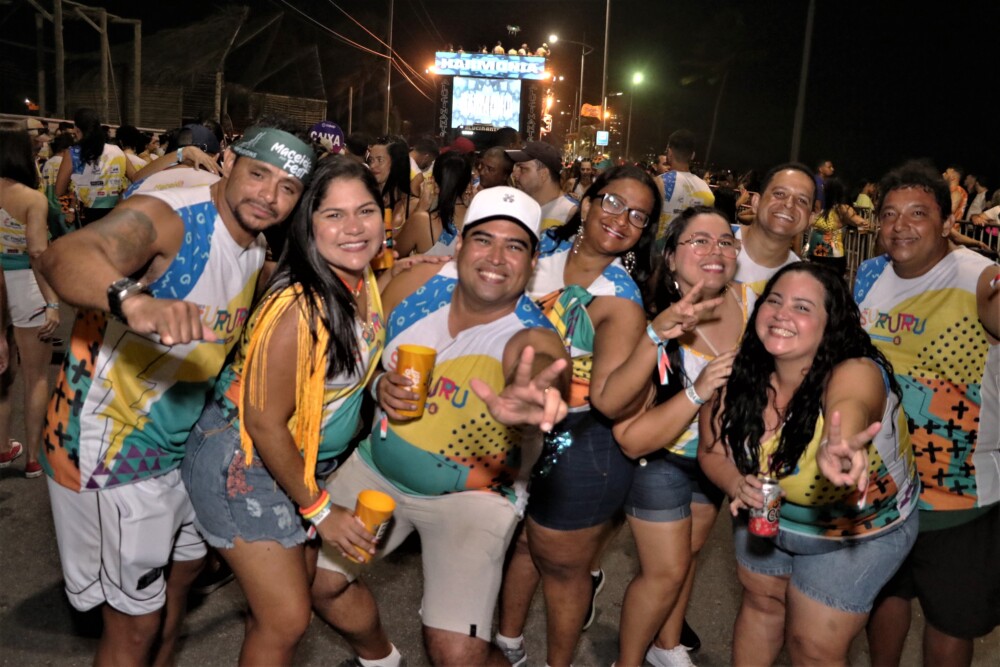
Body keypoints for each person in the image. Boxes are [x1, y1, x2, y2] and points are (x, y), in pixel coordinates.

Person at [37, 119, 314, 666]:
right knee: (134, 624)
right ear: (228, 161)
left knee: (182, 581)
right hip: (109, 450)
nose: (269, 195)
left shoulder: (255, 245)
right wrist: (132, 300)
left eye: (287, 187)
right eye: (259, 174)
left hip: (178, 451)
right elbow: (64, 255)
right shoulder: (174, 220)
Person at [309, 185, 571, 667]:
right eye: (483, 239)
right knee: (315, 582)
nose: (497, 258)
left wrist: (534, 393)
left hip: (472, 498)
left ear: (533, 262)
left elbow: (541, 363)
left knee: (456, 653)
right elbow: (362, 356)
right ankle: (381, 659)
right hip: (376, 470)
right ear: (460, 244)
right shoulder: (415, 286)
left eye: (515, 246)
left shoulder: (530, 333)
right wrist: (378, 385)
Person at [181, 157, 390, 665]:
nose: (354, 227)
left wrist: (383, 385)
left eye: (365, 210)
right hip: (244, 461)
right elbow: (262, 422)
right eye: (334, 215)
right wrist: (320, 509)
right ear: (307, 224)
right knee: (286, 618)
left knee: (283, 602)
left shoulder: (360, 279)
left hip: (297, 462)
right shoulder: (300, 307)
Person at [700, 262, 920, 666]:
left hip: (854, 530)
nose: (782, 314)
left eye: (802, 307)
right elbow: (712, 452)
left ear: (830, 324)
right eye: (775, 301)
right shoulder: (737, 377)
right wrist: (735, 483)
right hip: (767, 518)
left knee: (812, 647)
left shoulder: (854, 369)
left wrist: (839, 443)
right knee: (762, 604)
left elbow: (852, 403)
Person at [858, 161, 1000, 667]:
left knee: (950, 620)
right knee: (885, 597)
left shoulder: (978, 276)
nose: (900, 225)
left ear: (947, 222)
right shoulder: (869, 275)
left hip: (960, 492)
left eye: (918, 213)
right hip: (883, 482)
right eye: (889, 213)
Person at [614, 206, 748, 667]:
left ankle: (667, 645)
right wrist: (698, 389)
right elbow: (632, 436)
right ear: (670, 256)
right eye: (700, 241)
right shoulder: (649, 320)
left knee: (688, 555)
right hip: (660, 455)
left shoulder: (752, 304)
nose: (716, 251)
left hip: (715, 457)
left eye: (726, 242)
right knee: (665, 572)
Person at [0, 124, 59, 478]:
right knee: (35, 376)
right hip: (25, 284)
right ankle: (34, 457)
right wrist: (52, 300)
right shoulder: (32, 199)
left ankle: (2, 447)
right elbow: (37, 252)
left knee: (1, 373)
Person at [734, 163, 816, 297]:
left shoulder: (800, 283)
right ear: (756, 202)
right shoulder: (712, 239)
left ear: (810, 219)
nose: (789, 204)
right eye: (779, 194)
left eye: (802, 200)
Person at [54, 108, 127, 225]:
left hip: (86, 215)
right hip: (116, 214)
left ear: (77, 129)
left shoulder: (73, 153)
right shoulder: (117, 150)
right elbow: (137, 178)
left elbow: (59, 190)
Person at [395, 150, 472, 257]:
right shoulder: (479, 220)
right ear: (468, 183)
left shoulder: (422, 221)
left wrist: (420, 208)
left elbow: (391, 253)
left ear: (434, 182)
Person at [653, 130, 715, 253]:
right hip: (693, 253)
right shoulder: (706, 189)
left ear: (669, 152)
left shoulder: (660, 183)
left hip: (661, 253)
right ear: (692, 155)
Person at [806, 177, 869, 276]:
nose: (822, 189)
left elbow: (862, 223)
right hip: (816, 257)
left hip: (832, 259)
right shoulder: (825, 209)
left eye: (824, 187)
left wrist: (860, 228)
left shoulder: (841, 208)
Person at [508, 141, 578, 230]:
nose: (515, 175)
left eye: (523, 169)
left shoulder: (571, 213)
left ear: (543, 174)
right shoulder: (519, 207)